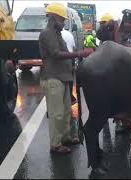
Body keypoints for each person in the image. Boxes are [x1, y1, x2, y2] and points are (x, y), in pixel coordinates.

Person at [39, 2, 92, 154]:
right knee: (57, 113)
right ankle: (55, 145)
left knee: (66, 111)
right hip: (53, 78)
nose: (63, 23)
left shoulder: (57, 34)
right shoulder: (47, 34)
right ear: (54, 18)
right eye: (62, 20)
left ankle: (65, 137)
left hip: (63, 77)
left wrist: (74, 67)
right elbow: (56, 54)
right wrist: (79, 54)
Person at [61, 28, 79, 144]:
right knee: (68, 83)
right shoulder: (68, 34)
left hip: (57, 67)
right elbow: (73, 49)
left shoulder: (48, 34)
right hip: (68, 62)